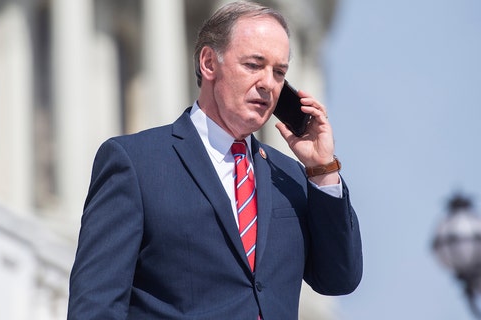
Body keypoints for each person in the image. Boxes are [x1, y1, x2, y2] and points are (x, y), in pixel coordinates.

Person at [67, 1, 363, 319]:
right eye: (254, 64)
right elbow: (96, 305)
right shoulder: (137, 163)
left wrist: (322, 169)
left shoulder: (291, 176)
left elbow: (340, 278)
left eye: (279, 72)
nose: (268, 83)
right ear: (209, 63)